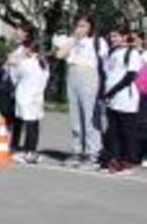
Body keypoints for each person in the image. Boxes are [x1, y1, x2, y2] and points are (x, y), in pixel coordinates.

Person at [55, 16, 107, 168]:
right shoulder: (72, 40)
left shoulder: (98, 42)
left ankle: (93, 153)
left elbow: (105, 62)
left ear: (91, 27)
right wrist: (74, 39)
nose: (80, 28)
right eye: (78, 25)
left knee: (90, 115)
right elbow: (59, 55)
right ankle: (78, 151)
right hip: (73, 74)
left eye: (84, 25)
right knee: (75, 115)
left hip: (89, 75)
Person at [99, 29, 142, 173]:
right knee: (113, 130)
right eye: (111, 35)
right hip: (112, 99)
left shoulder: (132, 53)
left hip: (126, 98)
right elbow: (108, 74)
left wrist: (112, 91)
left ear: (124, 37)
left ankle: (128, 161)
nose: (112, 38)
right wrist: (106, 92)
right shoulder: (112, 53)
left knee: (127, 130)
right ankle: (115, 159)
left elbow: (130, 77)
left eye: (115, 36)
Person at [7, 29, 49, 164]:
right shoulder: (43, 63)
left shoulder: (25, 63)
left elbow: (14, 77)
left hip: (25, 96)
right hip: (37, 96)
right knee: (35, 124)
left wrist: (13, 63)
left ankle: (28, 152)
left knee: (29, 124)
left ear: (28, 49)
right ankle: (33, 151)